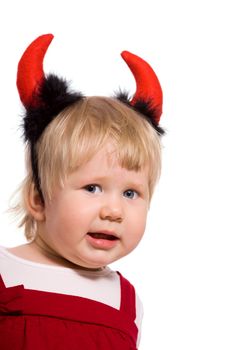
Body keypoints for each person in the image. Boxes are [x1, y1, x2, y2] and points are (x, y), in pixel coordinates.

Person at [0, 34, 165, 349]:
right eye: (92, 188)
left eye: (130, 193)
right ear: (38, 198)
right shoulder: (4, 270)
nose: (113, 211)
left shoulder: (127, 303)